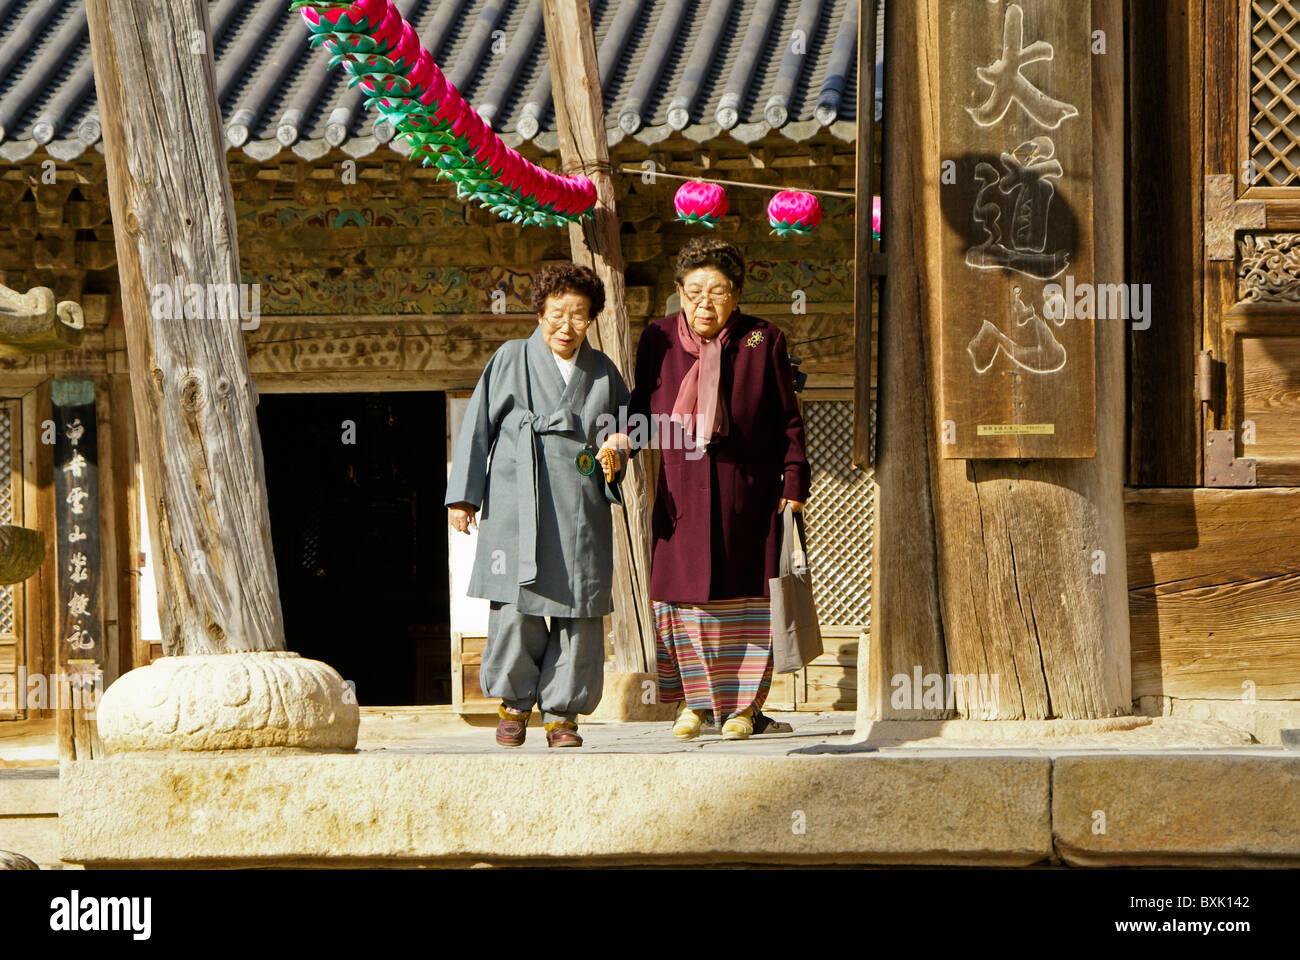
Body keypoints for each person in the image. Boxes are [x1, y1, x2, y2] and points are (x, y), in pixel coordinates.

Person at [629, 237, 810, 741]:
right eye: (693, 291)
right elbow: (639, 408)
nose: (703, 303)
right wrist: (619, 439)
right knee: (683, 603)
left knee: (748, 603)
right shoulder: (657, 339)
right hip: (681, 492)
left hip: (746, 494)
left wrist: (793, 480)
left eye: (717, 291)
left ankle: (743, 710)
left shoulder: (762, 339)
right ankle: (693, 704)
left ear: (736, 295)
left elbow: (787, 421)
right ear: (679, 293)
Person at [446, 263, 631, 748]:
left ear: (591, 319)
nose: (566, 326)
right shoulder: (509, 358)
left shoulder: (605, 372)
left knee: (580, 609)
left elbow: (625, 428)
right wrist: (465, 497)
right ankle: (512, 705)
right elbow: (477, 429)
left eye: (578, 315)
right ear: (540, 313)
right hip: (515, 498)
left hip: (579, 503)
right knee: (515, 605)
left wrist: (616, 447)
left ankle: (563, 715)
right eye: (556, 315)